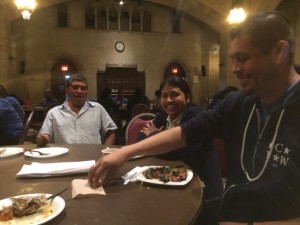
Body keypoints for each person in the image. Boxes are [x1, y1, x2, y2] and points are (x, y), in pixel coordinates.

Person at [89, 11, 300, 224]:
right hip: (231, 214)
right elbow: (187, 132)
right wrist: (125, 152)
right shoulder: (238, 102)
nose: (235, 69)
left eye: (243, 59)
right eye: (233, 59)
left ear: (279, 52)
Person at [137, 76, 223, 225]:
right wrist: (155, 141)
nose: (169, 100)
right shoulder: (164, 116)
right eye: (164, 96)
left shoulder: (196, 117)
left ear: (188, 97)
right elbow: (139, 139)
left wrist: (153, 135)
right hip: (174, 182)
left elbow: (176, 151)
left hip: (202, 191)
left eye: (175, 94)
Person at [36, 74, 117, 147]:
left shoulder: (98, 109)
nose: (79, 91)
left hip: (93, 159)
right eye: (75, 87)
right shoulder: (54, 113)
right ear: (67, 90)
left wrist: (105, 151)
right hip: (64, 160)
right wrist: (42, 139)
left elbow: (110, 133)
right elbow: (45, 135)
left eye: (83, 88)